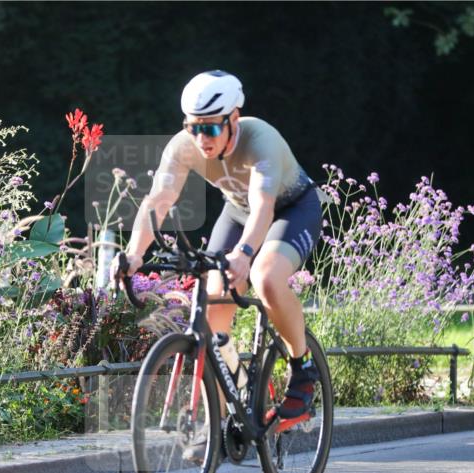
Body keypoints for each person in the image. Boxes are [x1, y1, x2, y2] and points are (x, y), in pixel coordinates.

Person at [115, 70, 324, 417]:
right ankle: (223, 416)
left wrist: (243, 254)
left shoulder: (261, 141)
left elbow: (263, 207)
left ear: (234, 119)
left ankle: (302, 370)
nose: (201, 138)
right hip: (238, 211)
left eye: (210, 128)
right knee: (212, 316)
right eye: (193, 127)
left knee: (265, 277)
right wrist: (134, 253)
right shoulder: (183, 147)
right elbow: (158, 202)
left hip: (291, 209)